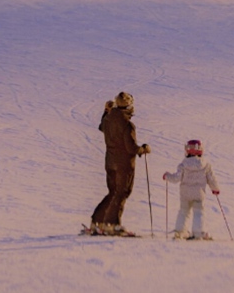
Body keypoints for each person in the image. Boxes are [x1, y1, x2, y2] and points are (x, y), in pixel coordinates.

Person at [89, 92, 151, 236]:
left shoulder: (109, 119)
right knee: (122, 192)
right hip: (123, 164)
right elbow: (131, 148)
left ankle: (97, 222)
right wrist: (143, 149)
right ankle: (113, 225)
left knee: (113, 192)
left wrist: (106, 111)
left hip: (110, 162)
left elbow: (102, 126)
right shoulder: (127, 125)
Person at [163, 140, 220, 240]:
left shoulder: (183, 165)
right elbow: (211, 179)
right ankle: (198, 232)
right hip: (199, 194)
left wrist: (168, 176)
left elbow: (176, 178)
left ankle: (180, 232)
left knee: (183, 211)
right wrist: (215, 189)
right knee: (199, 212)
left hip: (185, 194)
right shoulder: (206, 165)